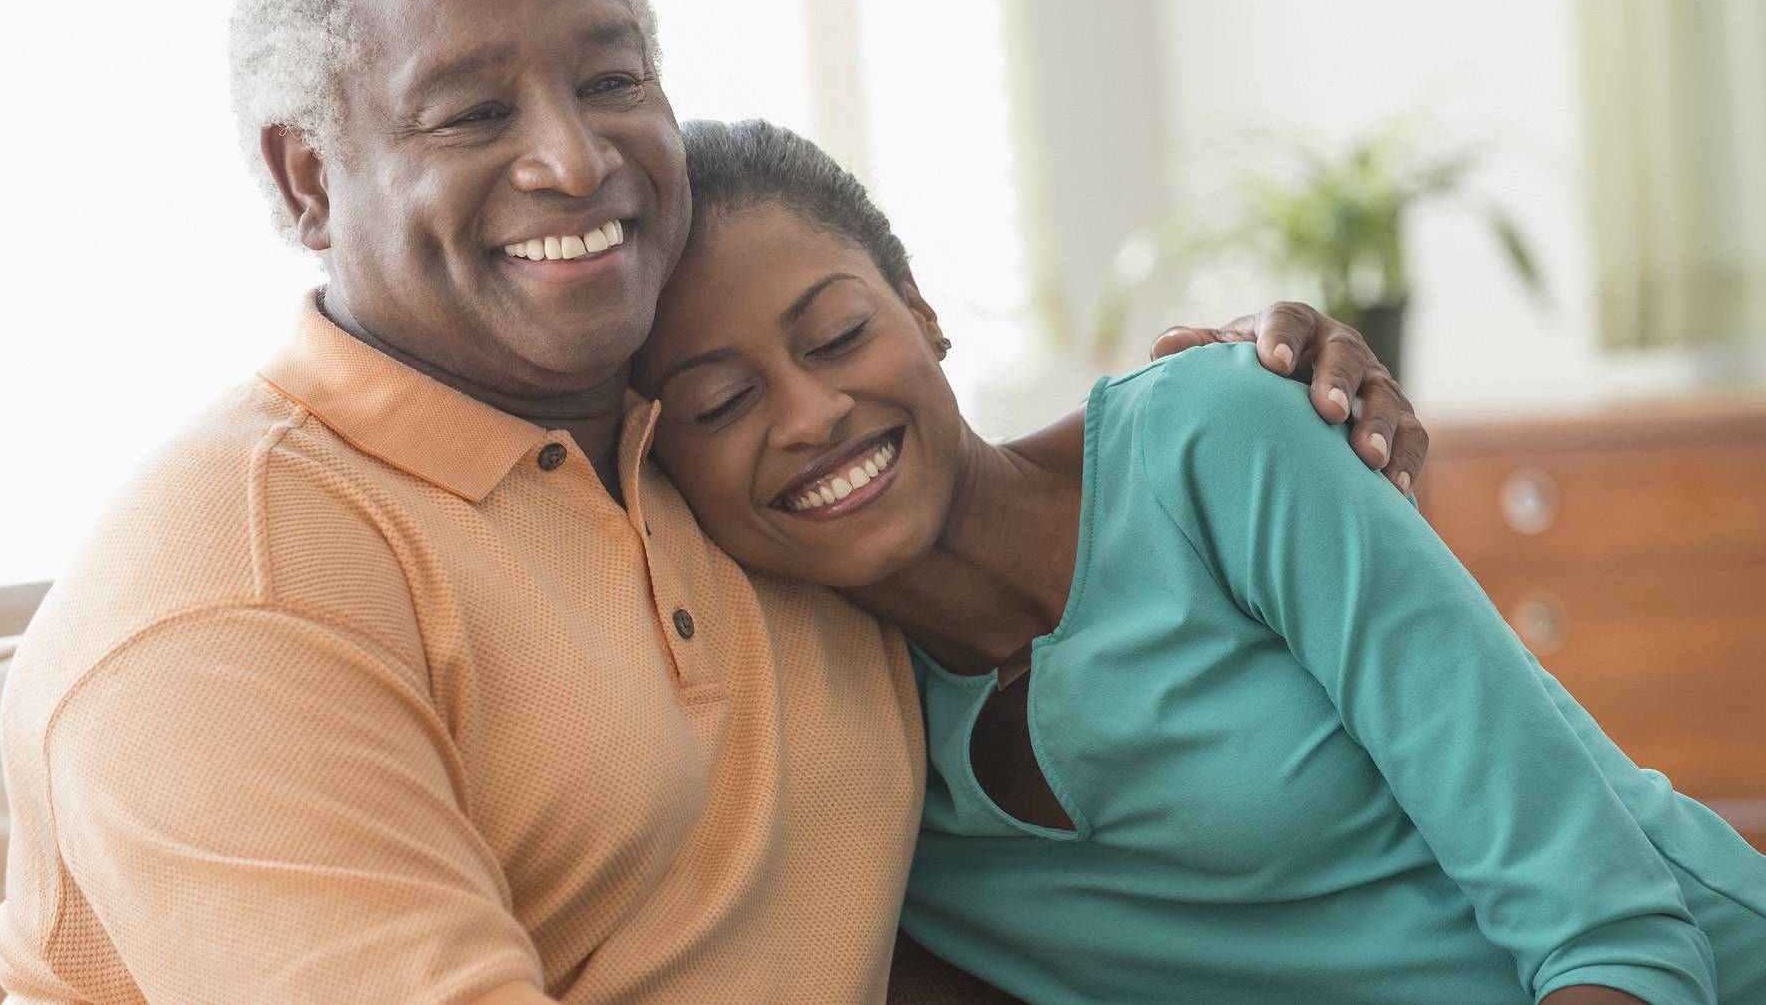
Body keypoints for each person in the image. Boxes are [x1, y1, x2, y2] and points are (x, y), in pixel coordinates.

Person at [0, 0, 1428, 1005]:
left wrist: (1247, 414)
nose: (572, 157)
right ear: (306, 183)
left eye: (612, 80)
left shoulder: (729, 454)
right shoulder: (227, 594)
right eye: (468, 114)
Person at [632, 118, 1766, 1005]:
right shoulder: (831, 731)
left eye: (836, 336)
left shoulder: (1223, 440)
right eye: (723, 402)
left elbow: (1617, 935)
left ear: (922, 312)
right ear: (663, 468)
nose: (811, 413)